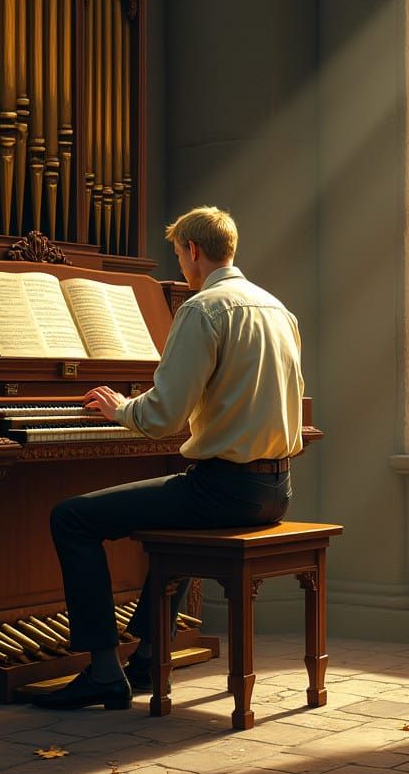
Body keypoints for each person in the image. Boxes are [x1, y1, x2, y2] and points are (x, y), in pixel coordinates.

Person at [34, 205, 304, 710]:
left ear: (193, 251)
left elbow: (162, 416)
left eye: (178, 253)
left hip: (224, 491)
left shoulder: (202, 309)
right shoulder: (277, 309)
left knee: (70, 517)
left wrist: (119, 408)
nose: (180, 263)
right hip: (275, 492)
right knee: (178, 513)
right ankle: (145, 658)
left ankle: (103, 670)